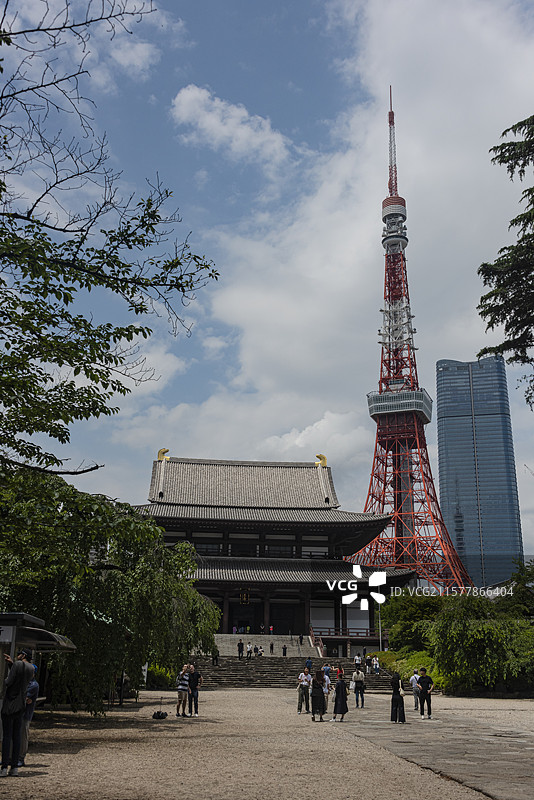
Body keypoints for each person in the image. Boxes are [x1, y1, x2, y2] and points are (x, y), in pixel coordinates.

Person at [1, 648, 35, 777]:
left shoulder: (17, 664)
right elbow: (21, 678)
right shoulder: (31, 668)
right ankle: (14, 767)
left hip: (10, 703)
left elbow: (9, 682)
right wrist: (12, 664)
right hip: (21, 705)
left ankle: (4, 767)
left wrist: (8, 672)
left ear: (23, 655)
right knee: (17, 736)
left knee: (7, 736)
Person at [18, 663, 39, 767]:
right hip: (17, 713)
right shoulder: (23, 682)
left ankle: (21, 758)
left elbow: (23, 697)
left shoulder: (33, 685)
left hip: (25, 714)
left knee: (23, 736)